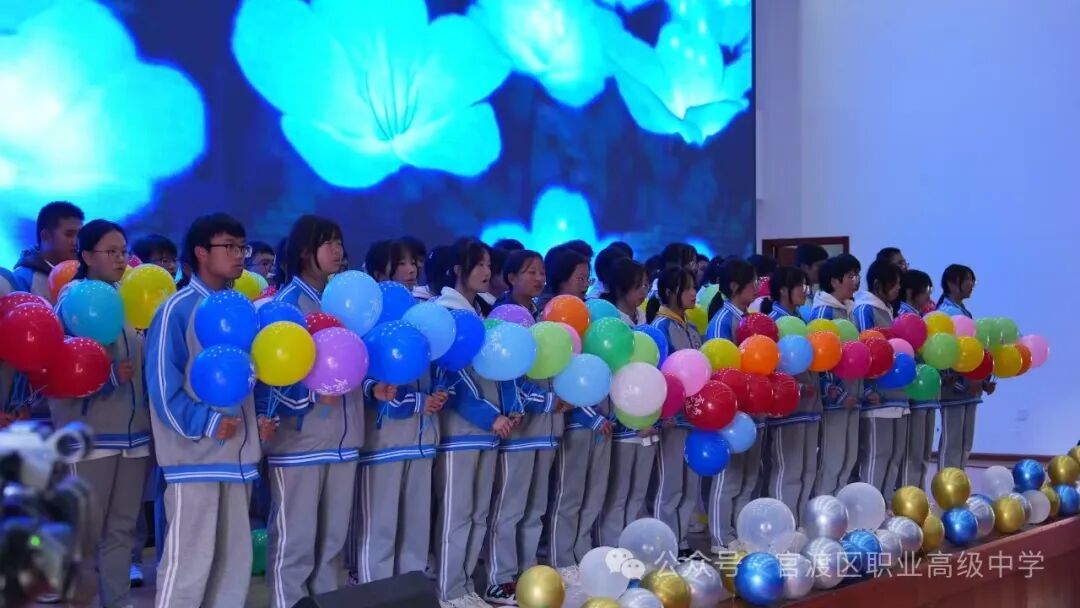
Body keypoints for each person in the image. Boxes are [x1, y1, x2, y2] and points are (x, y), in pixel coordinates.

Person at [146, 213, 262, 607]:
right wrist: (206, 422)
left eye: (242, 247)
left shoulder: (241, 308)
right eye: (229, 246)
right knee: (189, 567)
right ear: (200, 252)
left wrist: (258, 425)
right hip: (193, 459)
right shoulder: (176, 309)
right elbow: (162, 388)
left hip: (239, 458)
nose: (239, 255)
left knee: (233, 567)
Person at [252, 215, 368, 608]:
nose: (338, 250)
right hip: (299, 444)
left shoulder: (345, 302)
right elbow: (268, 379)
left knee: (333, 544)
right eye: (327, 242)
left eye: (339, 242)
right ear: (305, 251)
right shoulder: (284, 306)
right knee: (295, 542)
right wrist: (310, 398)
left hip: (345, 440)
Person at [51, 220, 149, 608]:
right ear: (87, 255)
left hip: (134, 437)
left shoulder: (132, 298)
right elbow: (56, 371)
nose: (121, 259)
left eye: (124, 251)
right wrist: (105, 377)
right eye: (111, 251)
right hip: (88, 436)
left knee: (122, 530)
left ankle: (118, 602)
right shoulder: (72, 301)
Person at [350, 236, 440, 588]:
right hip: (384, 440)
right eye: (401, 263)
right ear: (378, 271)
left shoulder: (422, 316)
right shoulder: (364, 319)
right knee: (380, 527)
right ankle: (375, 594)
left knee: (416, 528)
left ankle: (411, 593)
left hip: (422, 438)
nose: (411, 269)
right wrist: (413, 402)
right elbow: (363, 380)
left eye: (413, 262)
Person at [432, 238, 512, 607]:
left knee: (479, 514)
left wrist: (508, 410)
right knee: (456, 514)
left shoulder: (480, 312)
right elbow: (454, 376)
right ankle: (448, 592)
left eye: (488, 265)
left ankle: (465, 588)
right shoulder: (446, 312)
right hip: (460, 431)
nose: (486, 271)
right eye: (478, 264)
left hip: (489, 432)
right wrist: (490, 415)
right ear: (457, 270)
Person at [544, 247, 611, 584]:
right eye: (580, 278)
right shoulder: (553, 318)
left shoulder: (590, 315)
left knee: (593, 492)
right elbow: (563, 376)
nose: (586, 285)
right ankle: (561, 558)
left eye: (588, 278)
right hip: (573, 422)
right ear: (561, 279)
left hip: (600, 421)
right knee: (568, 494)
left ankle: (582, 552)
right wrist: (591, 416)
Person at [704, 259, 765, 549]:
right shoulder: (722, 321)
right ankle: (720, 538)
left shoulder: (752, 320)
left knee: (749, 477)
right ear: (733, 286)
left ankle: (742, 532)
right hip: (730, 411)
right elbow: (718, 369)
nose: (756, 287)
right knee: (728, 477)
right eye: (751, 282)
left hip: (753, 409)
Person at [646, 266, 702, 554]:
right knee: (669, 486)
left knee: (690, 486)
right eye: (688, 288)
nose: (694, 293)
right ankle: (663, 545)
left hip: (694, 419)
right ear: (669, 292)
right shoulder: (660, 327)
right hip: (671, 421)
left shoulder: (691, 328)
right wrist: (661, 413)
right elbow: (655, 373)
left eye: (694, 287)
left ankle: (680, 542)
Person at [762, 266, 822, 523]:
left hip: (810, 407)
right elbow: (768, 365)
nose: (805, 292)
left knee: (808, 471)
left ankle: (798, 523)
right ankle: (780, 525)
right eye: (800, 286)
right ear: (784, 290)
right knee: (788, 470)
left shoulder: (802, 319)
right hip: (787, 409)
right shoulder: (773, 322)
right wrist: (795, 387)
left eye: (806, 286)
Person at [810, 254, 863, 498]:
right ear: (834, 281)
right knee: (833, 459)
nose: (856, 281)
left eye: (857, 275)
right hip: (835, 400)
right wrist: (837, 394)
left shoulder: (849, 310)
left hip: (854, 395)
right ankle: (823, 508)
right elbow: (820, 358)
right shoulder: (823, 311)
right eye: (850, 276)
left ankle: (840, 509)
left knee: (849, 459)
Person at [853, 260, 906, 501]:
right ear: (878, 284)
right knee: (877, 455)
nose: (898, 288)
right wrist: (867, 389)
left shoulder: (889, 310)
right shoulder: (865, 309)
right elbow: (867, 352)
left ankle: (885, 506)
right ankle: (869, 508)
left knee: (894, 456)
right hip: (877, 396)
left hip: (897, 395)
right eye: (894, 283)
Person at [936, 264, 993, 470]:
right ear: (952, 283)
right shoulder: (945, 313)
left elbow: (971, 350)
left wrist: (982, 380)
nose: (972, 284)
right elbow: (945, 351)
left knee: (965, 443)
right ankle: (946, 483)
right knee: (952, 442)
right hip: (954, 387)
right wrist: (963, 379)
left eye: (972, 280)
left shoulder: (963, 311)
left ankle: (958, 482)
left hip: (970, 387)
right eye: (968, 279)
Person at [898, 269, 937, 490]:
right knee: (912, 452)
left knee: (923, 452)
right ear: (911, 291)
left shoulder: (922, 317)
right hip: (914, 391)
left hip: (927, 390)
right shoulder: (903, 317)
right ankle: (908, 496)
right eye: (926, 290)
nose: (929, 296)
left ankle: (919, 496)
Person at [13, 201, 84, 301]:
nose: (77, 242)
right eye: (69, 234)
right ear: (45, 236)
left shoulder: (87, 273)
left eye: (80, 235)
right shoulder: (22, 278)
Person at [493, 249, 545, 314]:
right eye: (532, 272)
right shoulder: (503, 311)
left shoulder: (536, 308)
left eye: (542, 273)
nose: (539, 278)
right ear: (512, 278)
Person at [602, 257, 649, 326]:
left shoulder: (642, 316)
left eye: (645, 285)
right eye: (637, 286)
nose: (643, 292)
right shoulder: (610, 319)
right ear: (619, 289)